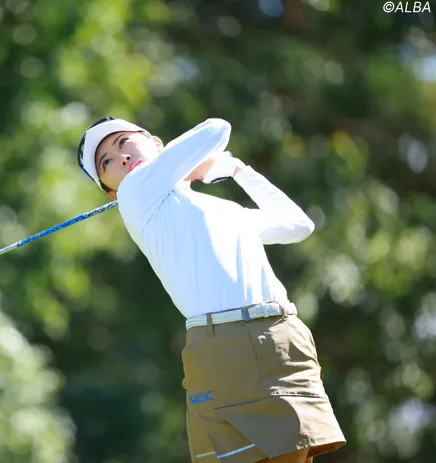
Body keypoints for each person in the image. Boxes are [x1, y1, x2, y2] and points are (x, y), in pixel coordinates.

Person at [76, 117, 346, 463]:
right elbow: (218, 129)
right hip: (223, 345)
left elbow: (298, 225)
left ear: (156, 143)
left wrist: (238, 170)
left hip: (282, 336)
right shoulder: (135, 193)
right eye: (107, 163)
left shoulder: (223, 210)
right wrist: (203, 167)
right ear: (112, 192)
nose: (122, 157)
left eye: (124, 142)